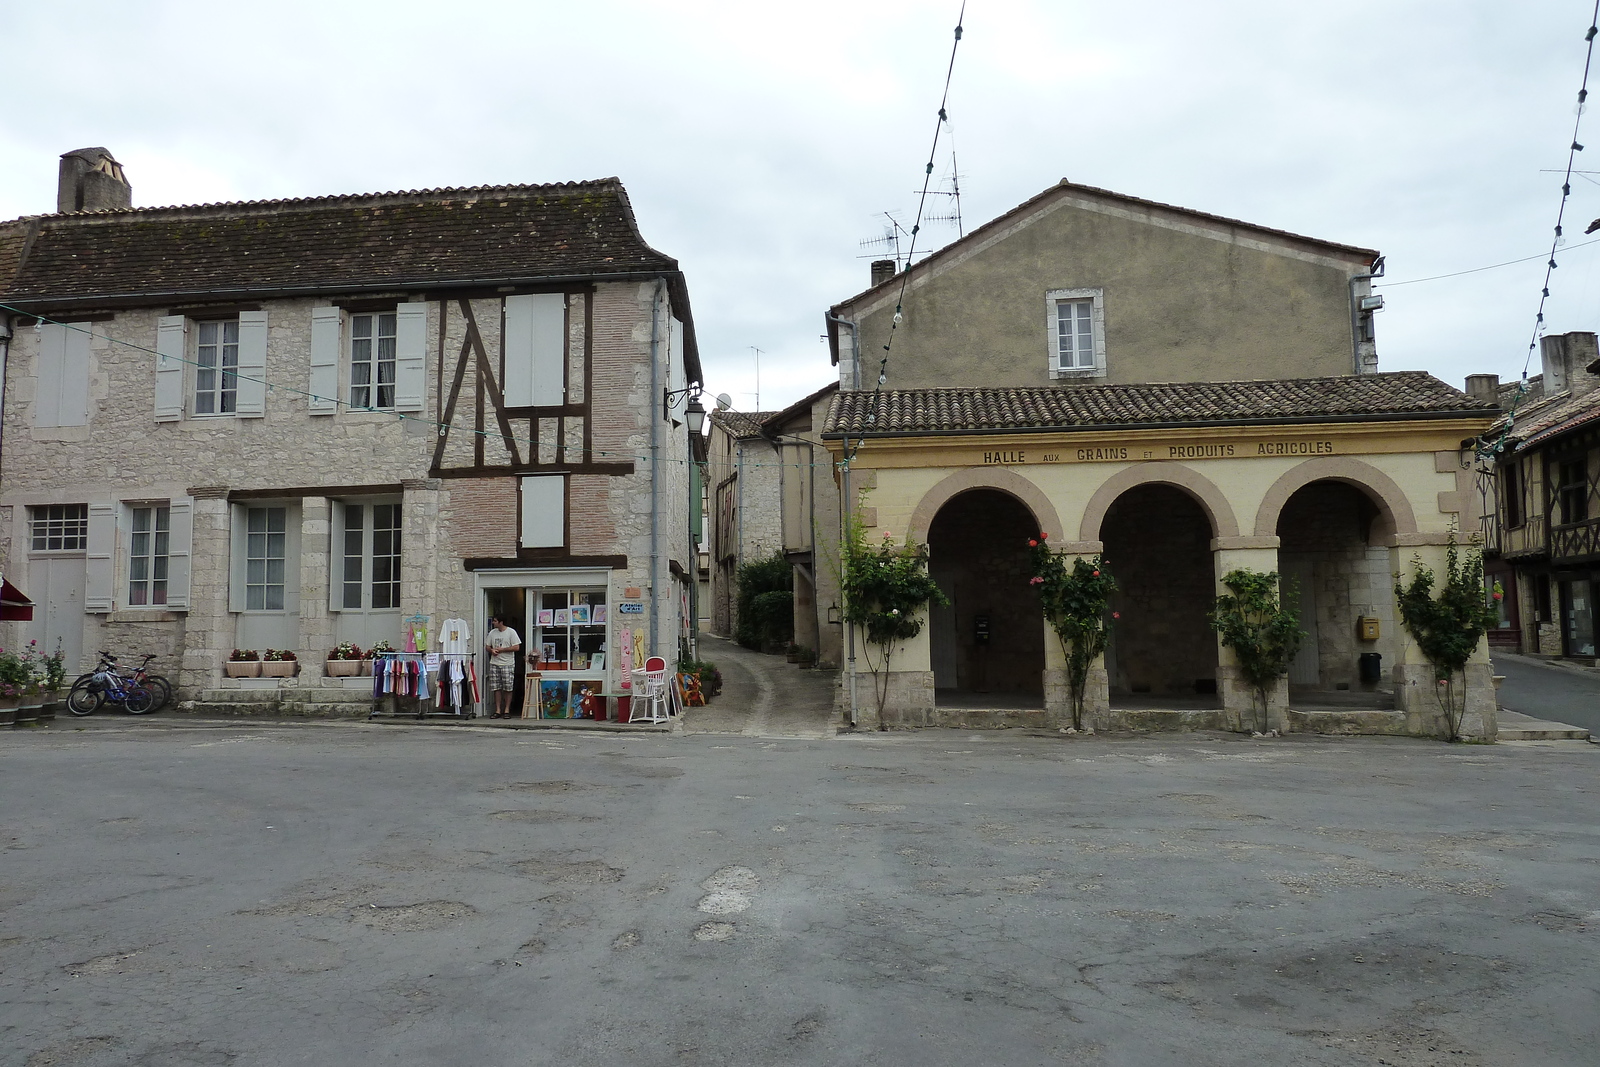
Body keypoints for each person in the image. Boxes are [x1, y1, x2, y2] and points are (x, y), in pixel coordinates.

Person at [485, 615, 521, 718]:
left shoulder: (511, 632)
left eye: (495, 621)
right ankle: (497, 710)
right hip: (495, 663)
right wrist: (491, 650)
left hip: (507, 663)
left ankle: (507, 710)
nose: (493, 623)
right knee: (496, 687)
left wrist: (502, 650)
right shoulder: (492, 633)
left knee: (508, 687)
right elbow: (487, 646)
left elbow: (517, 647)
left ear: (501, 622)